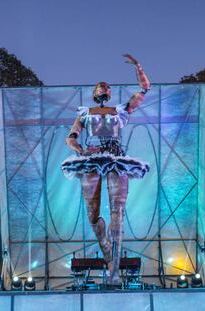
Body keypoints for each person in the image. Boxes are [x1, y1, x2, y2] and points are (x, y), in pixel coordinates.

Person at [61, 54, 150, 284]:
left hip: (115, 159)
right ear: (94, 93)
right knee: (92, 216)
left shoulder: (120, 110)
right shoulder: (84, 113)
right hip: (91, 159)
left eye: (107, 86)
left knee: (117, 212)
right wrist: (79, 149)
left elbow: (145, 88)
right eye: (100, 86)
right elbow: (70, 138)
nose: (104, 87)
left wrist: (137, 66)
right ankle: (109, 253)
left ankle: (115, 269)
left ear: (109, 93)